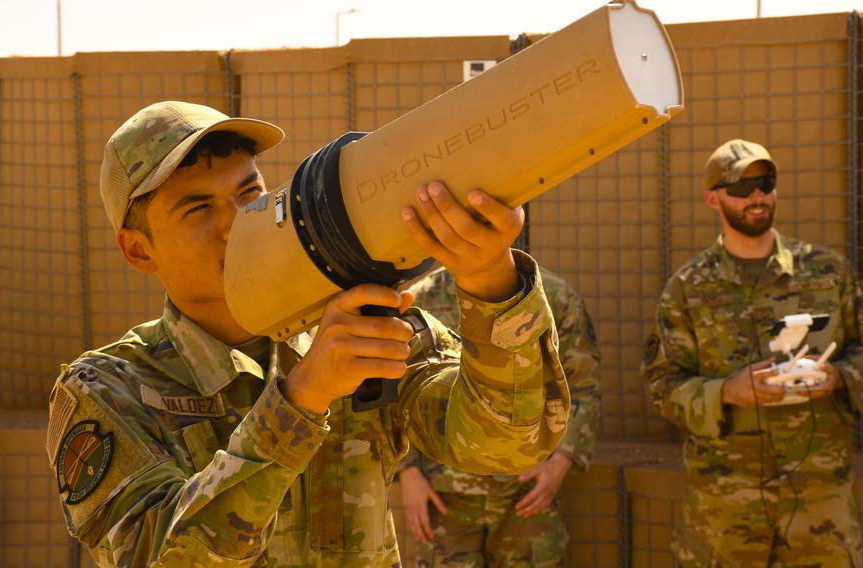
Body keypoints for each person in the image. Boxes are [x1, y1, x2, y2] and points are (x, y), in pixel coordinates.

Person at [45, 101, 569, 567]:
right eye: (198, 208)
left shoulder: (357, 322)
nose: (234, 222)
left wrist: (489, 280)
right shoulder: (105, 389)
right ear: (138, 249)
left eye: (248, 192)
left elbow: (507, 444)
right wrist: (299, 401)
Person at [642, 138, 863, 567]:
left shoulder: (828, 273)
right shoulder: (687, 289)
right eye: (741, 186)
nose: (757, 195)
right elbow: (662, 385)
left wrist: (838, 378)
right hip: (725, 507)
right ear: (712, 198)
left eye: (765, 182)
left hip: (817, 502)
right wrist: (728, 392)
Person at [397, 265, 600, 567]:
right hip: (445, 497)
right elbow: (396, 389)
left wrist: (562, 460)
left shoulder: (552, 297)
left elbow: (583, 384)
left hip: (526, 494)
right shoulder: (419, 299)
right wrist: (408, 472)